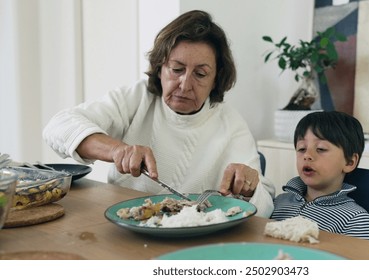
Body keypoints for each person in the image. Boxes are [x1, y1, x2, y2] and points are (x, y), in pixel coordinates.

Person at [42, 10, 275, 217]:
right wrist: (117, 150)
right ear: (160, 68)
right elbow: (57, 127)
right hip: (124, 228)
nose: (184, 85)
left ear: (216, 79)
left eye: (201, 74)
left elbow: (264, 208)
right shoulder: (138, 98)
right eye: (177, 69)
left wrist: (251, 187)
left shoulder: (231, 123)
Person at [270, 111, 369, 240]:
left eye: (321, 149)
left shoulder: (355, 219)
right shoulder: (279, 201)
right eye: (302, 148)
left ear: (349, 162)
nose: (307, 155)